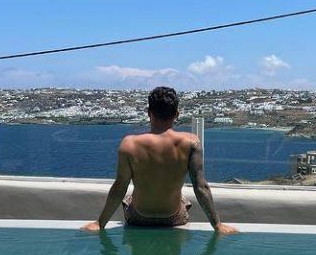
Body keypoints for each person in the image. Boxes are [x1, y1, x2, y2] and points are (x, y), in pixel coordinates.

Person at [82, 86, 238, 235]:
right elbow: (201, 187)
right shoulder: (191, 142)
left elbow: (119, 187)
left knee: (129, 197)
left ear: (149, 112)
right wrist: (217, 225)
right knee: (183, 199)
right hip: (174, 218)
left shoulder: (129, 144)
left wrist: (100, 223)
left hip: (138, 218)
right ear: (176, 114)